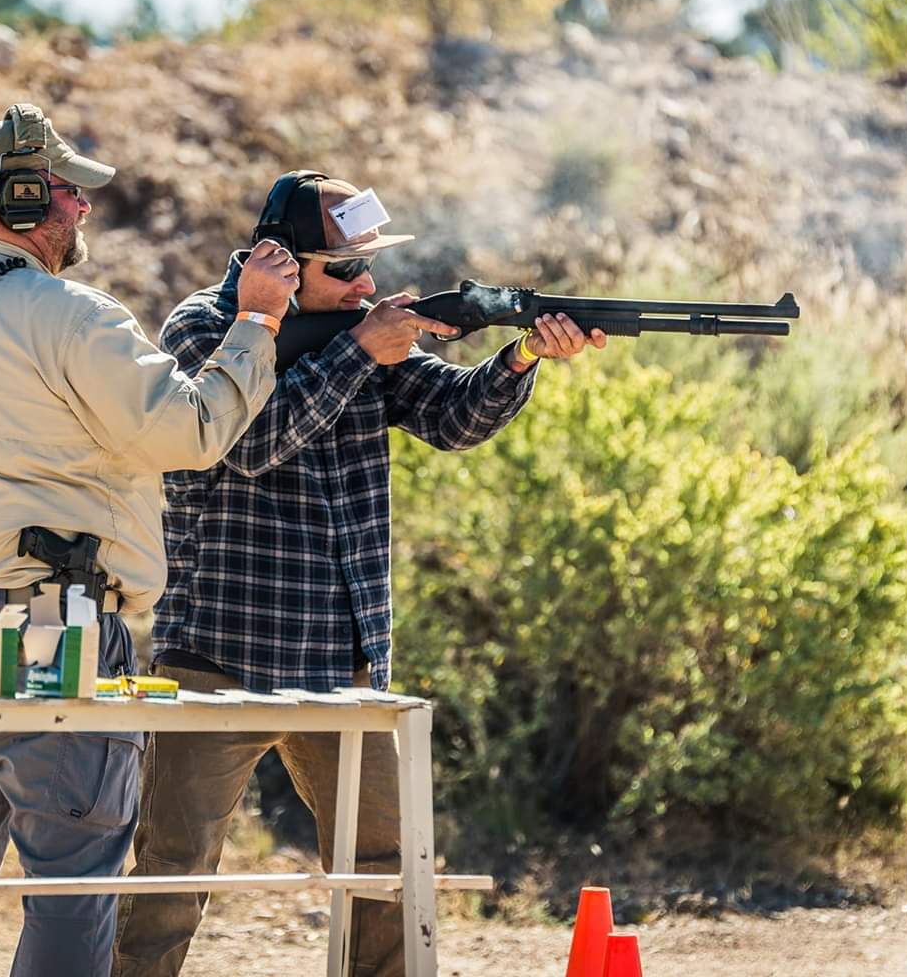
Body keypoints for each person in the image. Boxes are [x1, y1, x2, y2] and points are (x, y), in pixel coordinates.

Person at [113, 171, 606, 977]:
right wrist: (355, 351)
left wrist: (519, 358)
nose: (366, 285)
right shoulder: (208, 327)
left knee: (387, 875)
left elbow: (452, 417)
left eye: (367, 267)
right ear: (277, 261)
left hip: (344, 662)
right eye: (345, 269)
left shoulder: (358, 331)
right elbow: (247, 444)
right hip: (218, 654)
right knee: (170, 878)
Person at [0, 103, 299, 977]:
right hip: (50, 638)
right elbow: (191, 433)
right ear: (23, 197)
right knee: (74, 878)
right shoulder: (73, 314)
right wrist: (257, 323)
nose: (82, 209)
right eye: (67, 193)